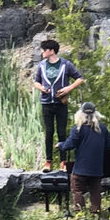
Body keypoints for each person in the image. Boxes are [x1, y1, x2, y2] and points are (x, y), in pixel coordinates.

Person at [34, 39, 84, 172]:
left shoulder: (65, 64)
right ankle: (48, 161)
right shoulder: (41, 65)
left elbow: (79, 78)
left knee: (62, 132)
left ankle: (63, 161)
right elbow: (36, 82)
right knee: (49, 132)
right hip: (46, 103)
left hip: (60, 103)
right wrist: (42, 89)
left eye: (44, 50)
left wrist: (68, 89)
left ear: (51, 51)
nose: (42, 52)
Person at [56, 102, 110, 217]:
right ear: (96, 114)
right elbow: (108, 146)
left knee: (77, 190)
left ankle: (80, 214)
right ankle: (95, 213)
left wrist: (60, 145)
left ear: (81, 114)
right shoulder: (103, 129)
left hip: (81, 169)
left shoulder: (78, 129)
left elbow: (68, 146)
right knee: (95, 191)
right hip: (96, 169)